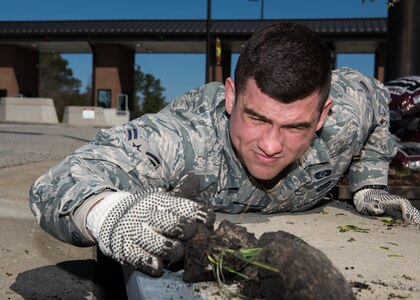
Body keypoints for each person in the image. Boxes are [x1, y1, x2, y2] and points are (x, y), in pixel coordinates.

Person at [29, 22, 420, 277]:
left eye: (296, 126)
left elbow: (379, 110)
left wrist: (369, 183)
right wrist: (108, 213)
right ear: (231, 97)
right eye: (257, 118)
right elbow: (60, 181)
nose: (270, 145)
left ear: (322, 115)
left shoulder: (353, 104)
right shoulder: (184, 140)